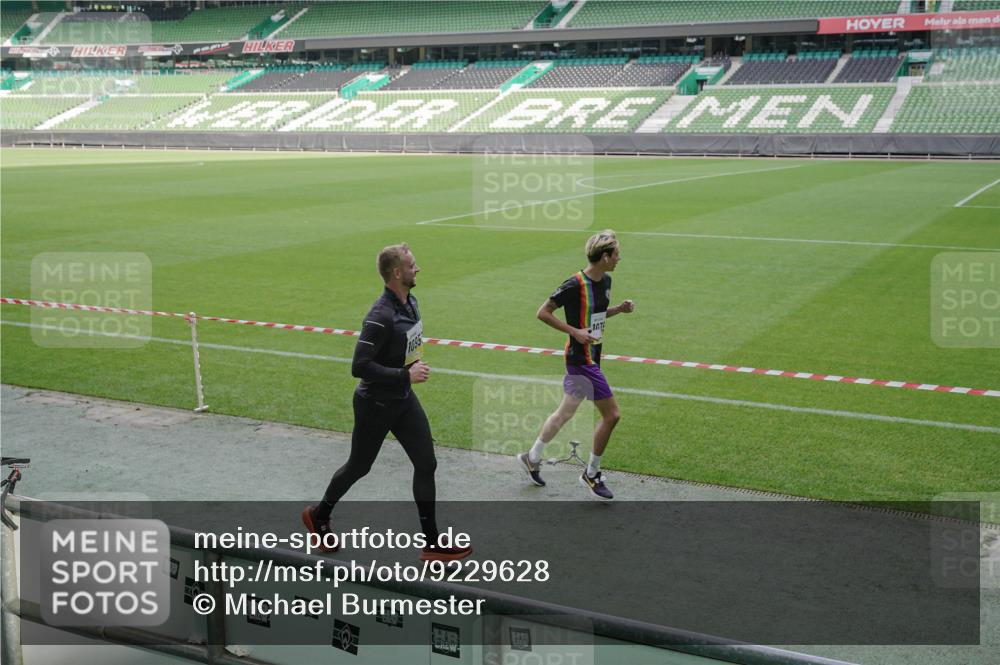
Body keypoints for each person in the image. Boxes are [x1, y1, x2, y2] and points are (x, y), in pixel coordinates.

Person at [302, 243, 472, 561]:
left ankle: (432, 544)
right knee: (359, 467)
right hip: (375, 405)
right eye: (412, 265)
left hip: (403, 400)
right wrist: (405, 376)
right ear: (397, 273)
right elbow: (359, 367)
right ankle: (318, 514)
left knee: (426, 463)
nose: (417, 268)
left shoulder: (411, 302)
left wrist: (407, 375)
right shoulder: (380, 316)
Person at [517, 230, 634, 500]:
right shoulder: (574, 284)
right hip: (582, 360)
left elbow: (596, 313)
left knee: (564, 413)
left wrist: (618, 309)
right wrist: (574, 332)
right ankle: (591, 474)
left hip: (592, 355)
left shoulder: (606, 280)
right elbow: (542, 312)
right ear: (604, 257)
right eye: (616, 254)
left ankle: (531, 457)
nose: (619, 258)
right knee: (612, 415)